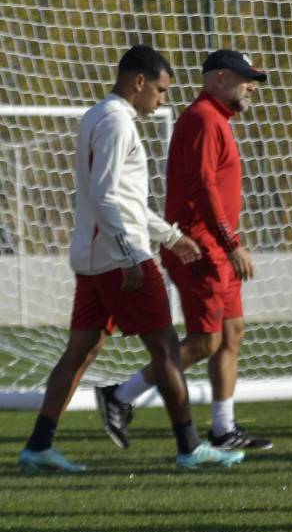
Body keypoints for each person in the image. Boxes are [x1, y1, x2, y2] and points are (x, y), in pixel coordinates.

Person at [18, 45, 243, 473]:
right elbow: (106, 196)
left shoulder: (97, 116)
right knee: (166, 351)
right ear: (139, 81)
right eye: (160, 90)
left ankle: (38, 446)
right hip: (120, 259)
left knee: (80, 352)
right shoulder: (117, 122)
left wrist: (171, 236)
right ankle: (190, 447)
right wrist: (129, 255)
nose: (162, 100)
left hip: (95, 258)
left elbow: (124, 200)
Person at [96, 50, 272, 452]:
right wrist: (230, 244)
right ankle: (120, 395)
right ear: (219, 79)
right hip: (199, 248)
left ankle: (223, 429)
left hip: (218, 246)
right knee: (206, 340)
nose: (250, 87)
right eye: (245, 78)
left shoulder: (217, 120)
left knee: (232, 333)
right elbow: (204, 187)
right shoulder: (203, 119)